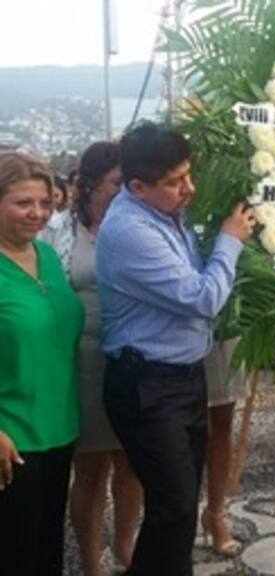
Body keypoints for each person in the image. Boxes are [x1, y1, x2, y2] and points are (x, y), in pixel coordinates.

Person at [96, 122, 255, 575]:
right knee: (173, 508)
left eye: (188, 174)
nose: (189, 188)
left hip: (182, 378)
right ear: (137, 187)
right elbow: (202, 298)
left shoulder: (164, 214)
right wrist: (230, 239)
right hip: (147, 384)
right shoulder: (130, 231)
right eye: (175, 182)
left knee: (179, 507)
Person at [45, 142, 143, 576]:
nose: (123, 192)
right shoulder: (57, 230)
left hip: (132, 356)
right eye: (116, 184)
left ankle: (125, 547)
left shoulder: (140, 224)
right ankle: (90, 561)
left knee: (132, 463)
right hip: (80, 361)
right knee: (89, 469)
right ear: (88, 186)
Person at [0, 152, 84, 575]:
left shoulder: (46, 257)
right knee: (15, 554)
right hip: (11, 438)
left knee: (48, 546)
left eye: (45, 203)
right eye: (22, 203)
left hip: (57, 427)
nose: (37, 213)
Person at [201, 337, 247, 557]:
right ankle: (177, 515)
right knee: (178, 425)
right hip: (175, 324)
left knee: (222, 419)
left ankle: (215, 513)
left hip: (222, 326)